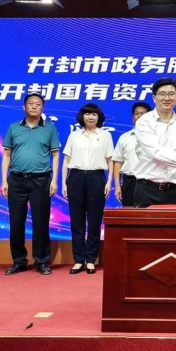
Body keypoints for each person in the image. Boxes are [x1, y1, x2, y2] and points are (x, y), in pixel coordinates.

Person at [1, 93, 60, 276]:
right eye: (31, 104)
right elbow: (7, 154)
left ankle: (41, 261)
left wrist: (54, 180)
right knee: (16, 222)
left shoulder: (49, 128)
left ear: (43, 108)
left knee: (41, 222)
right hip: (16, 180)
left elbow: (55, 155)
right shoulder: (13, 127)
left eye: (38, 104)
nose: (34, 106)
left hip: (41, 180)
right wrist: (4, 180)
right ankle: (19, 261)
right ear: (24, 107)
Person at [133, 78, 176, 208]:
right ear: (154, 98)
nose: (167, 98)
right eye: (162, 94)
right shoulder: (144, 122)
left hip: (174, 190)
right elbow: (156, 153)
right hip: (147, 189)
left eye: (171, 94)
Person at [62, 103, 114, 275]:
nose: (91, 117)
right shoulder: (74, 135)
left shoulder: (105, 135)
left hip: (96, 178)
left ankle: (91, 260)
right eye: (87, 114)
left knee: (94, 221)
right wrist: (64, 183)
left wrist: (109, 182)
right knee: (76, 221)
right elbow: (66, 161)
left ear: (99, 117)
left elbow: (110, 161)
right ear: (82, 116)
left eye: (94, 114)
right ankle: (78, 260)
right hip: (76, 177)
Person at [113, 102, 152, 207]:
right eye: (136, 113)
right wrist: (117, 186)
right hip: (129, 182)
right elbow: (118, 162)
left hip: (150, 182)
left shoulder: (156, 137)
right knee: (129, 213)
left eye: (143, 114)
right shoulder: (125, 137)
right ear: (132, 117)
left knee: (148, 214)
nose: (139, 116)